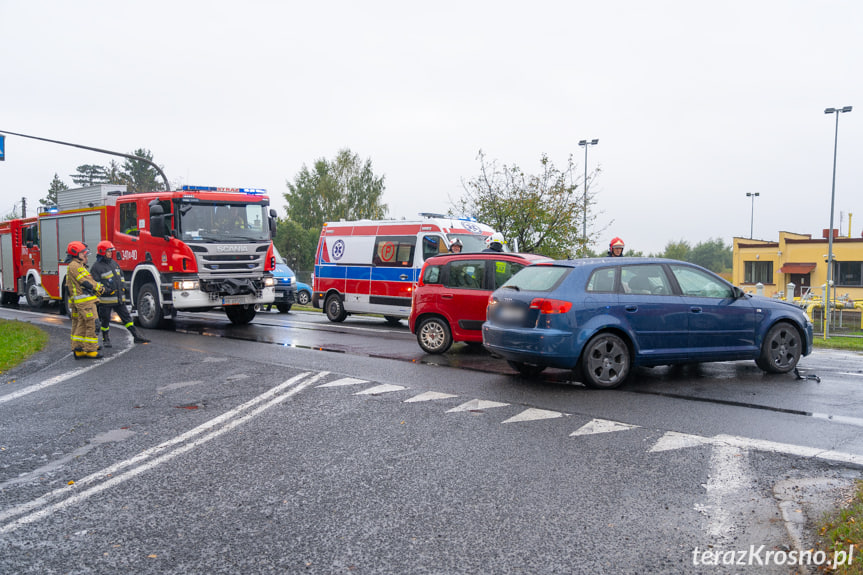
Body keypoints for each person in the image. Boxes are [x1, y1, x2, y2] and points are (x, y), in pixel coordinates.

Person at [90, 241, 150, 347]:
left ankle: (136, 336)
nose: (110, 253)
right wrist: (107, 290)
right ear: (102, 252)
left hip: (118, 299)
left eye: (111, 251)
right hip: (106, 301)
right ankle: (106, 339)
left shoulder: (114, 263)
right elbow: (96, 285)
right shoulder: (96, 267)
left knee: (127, 318)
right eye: (108, 251)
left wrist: (124, 288)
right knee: (105, 321)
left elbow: (121, 277)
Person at [65, 241, 105, 359]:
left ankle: (80, 348)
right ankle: (90, 350)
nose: (85, 255)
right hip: (85, 301)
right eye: (83, 253)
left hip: (84, 301)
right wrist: (100, 288)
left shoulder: (77, 265)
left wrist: (98, 288)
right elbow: (85, 281)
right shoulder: (75, 266)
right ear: (75, 253)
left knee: (82, 324)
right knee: (92, 324)